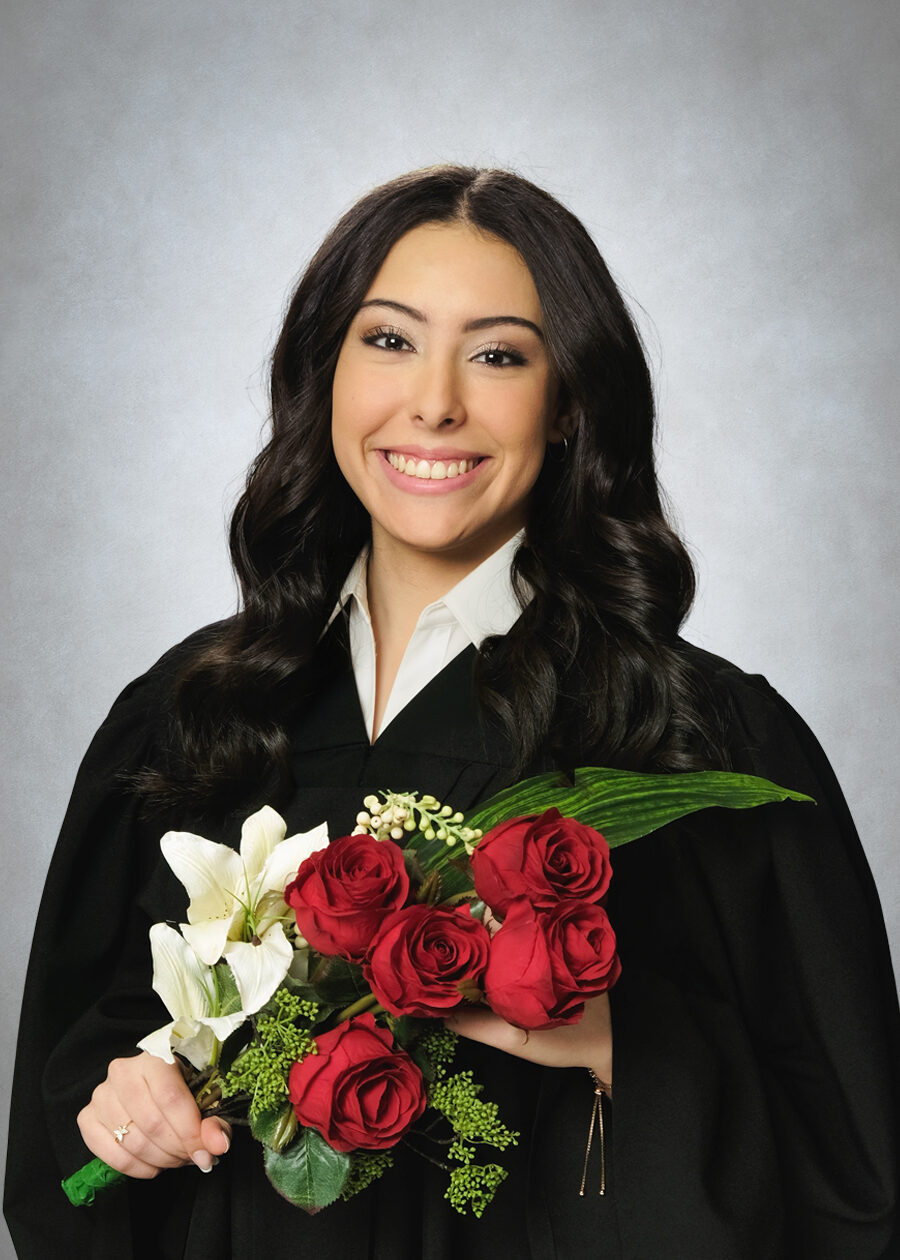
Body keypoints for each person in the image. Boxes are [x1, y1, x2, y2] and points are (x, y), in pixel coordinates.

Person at [5, 165, 898, 1259]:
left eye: (498, 354)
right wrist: (128, 1104)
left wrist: (617, 1044)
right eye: (388, 341)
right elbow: (69, 1109)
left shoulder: (689, 736)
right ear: (323, 370)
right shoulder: (197, 712)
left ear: (568, 402)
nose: (433, 401)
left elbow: (851, 1171)